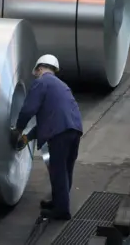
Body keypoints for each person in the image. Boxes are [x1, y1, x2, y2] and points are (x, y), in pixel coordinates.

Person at [11, 54, 83, 220]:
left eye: (36, 71)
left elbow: (29, 109)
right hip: (75, 130)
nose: (35, 75)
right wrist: (27, 138)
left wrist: (18, 129)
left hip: (59, 133)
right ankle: (59, 202)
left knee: (57, 170)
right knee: (66, 169)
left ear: (40, 68)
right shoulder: (61, 86)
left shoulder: (41, 82)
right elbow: (49, 118)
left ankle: (61, 211)